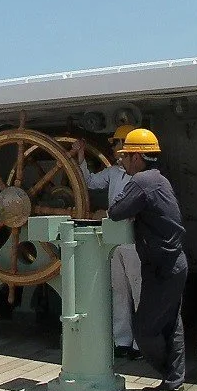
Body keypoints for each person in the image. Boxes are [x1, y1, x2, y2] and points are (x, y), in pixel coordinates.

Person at [107, 128, 188, 391]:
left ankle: (171, 378)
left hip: (161, 267)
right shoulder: (158, 180)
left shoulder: (142, 181)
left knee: (145, 329)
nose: (123, 161)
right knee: (171, 324)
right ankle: (174, 384)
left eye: (127, 156)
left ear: (139, 156)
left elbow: (116, 211)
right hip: (173, 263)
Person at [68, 125, 142, 358]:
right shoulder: (112, 173)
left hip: (135, 242)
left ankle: (142, 344)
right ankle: (122, 341)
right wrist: (80, 156)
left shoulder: (140, 177)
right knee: (118, 291)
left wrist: (106, 215)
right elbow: (88, 182)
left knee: (140, 292)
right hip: (113, 242)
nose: (112, 148)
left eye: (116, 144)